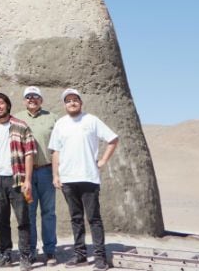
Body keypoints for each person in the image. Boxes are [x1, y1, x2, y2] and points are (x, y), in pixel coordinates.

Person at [48, 89, 119, 271]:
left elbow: (113, 139)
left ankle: (100, 257)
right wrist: (56, 175)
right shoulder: (61, 124)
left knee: (94, 218)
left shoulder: (91, 120)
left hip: (88, 177)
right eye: (68, 100)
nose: (72, 103)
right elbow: (55, 151)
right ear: (64, 104)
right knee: (76, 218)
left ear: (81, 102)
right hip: (68, 178)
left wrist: (103, 160)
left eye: (75, 100)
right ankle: (80, 255)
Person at [0, 93, 36, 270]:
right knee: (2, 219)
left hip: (17, 179)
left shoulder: (21, 126)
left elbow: (29, 154)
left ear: (7, 105)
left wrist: (27, 179)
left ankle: (26, 255)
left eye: (1, 103)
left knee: (22, 219)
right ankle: (6, 254)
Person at [14, 87, 59, 265]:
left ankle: (50, 251)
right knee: (29, 213)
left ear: (41, 99)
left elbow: (59, 145)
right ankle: (30, 251)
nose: (32, 99)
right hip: (27, 175)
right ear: (24, 100)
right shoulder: (17, 118)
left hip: (47, 171)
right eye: (28, 97)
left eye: (35, 97)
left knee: (49, 212)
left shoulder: (52, 118)